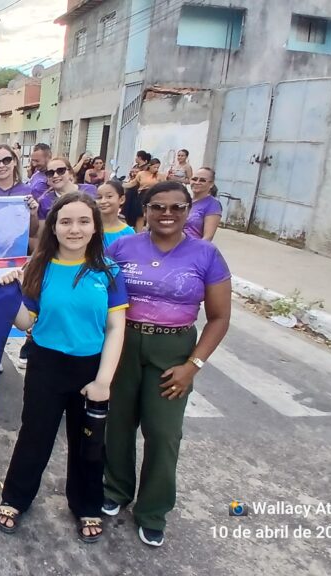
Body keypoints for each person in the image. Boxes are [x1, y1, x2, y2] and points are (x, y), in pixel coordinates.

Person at [102, 181, 232, 547]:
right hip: (124, 342)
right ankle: (115, 490)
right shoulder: (123, 247)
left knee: (163, 432)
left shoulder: (206, 255)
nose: (168, 214)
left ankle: (153, 510)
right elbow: (101, 291)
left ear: (189, 211)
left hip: (173, 348)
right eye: (159, 207)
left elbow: (220, 317)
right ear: (145, 210)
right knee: (118, 422)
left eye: (177, 207)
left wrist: (193, 365)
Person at [0, 192, 127, 542]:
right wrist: (10, 292)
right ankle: (15, 497)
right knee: (35, 436)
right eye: (65, 221)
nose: (74, 229)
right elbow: (25, 323)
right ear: (54, 227)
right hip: (46, 365)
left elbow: (116, 329)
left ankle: (86, 505)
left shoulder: (108, 271)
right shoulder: (39, 268)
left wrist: (104, 381)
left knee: (88, 444)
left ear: (95, 227)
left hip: (90, 369)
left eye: (84, 221)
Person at [122, 158, 162, 231]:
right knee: (140, 214)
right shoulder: (141, 174)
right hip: (142, 195)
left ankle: (149, 229)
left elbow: (163, 185)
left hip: (154, 195)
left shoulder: (160, 176)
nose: (156, 169)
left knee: (150, 214)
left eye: (158, 167)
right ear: (150, 166)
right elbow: (133, 183)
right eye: (154, 167)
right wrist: (121, 185)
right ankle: (138, 231)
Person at [185, 168, 222, 241]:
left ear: (211, 184)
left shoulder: (213, 205)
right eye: (194, 179)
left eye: (202, 180)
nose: (197, 182)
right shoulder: (185, 201)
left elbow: (208, 238)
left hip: (193, 248)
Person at [97, 180, 135, 248]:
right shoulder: (91, 228)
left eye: (109, 196)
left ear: (122, 199)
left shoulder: (128, 232)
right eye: (99, 197)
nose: (103, 201)